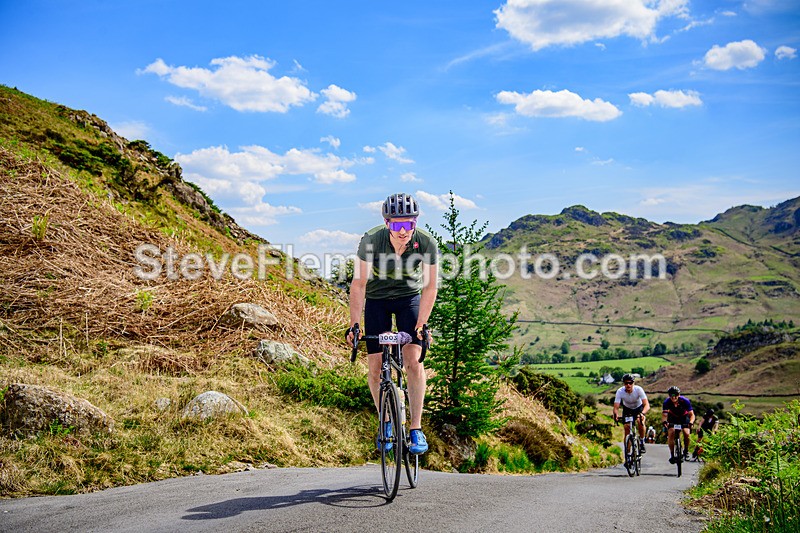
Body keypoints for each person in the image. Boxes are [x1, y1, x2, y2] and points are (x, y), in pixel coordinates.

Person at [346, 193, 438, 455]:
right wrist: (354, 324)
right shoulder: (371, 241)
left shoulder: (426, 243)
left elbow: (430, 286)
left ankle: (416, 428)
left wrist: (422, 323)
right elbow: (359, 284)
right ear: (387, 223)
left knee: (414, 361)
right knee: (375, 368)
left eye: (408, 224)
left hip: (409, 298)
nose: (402, 231)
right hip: (377, 300)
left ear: (415, 223)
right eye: (397, 225)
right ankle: (385, 421)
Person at [612, 374, 650, 456]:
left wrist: (643, 413)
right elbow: (616, 407)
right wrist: (615, 415)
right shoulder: (620, 391)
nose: (628, 385)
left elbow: (647, 405)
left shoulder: (639, 389)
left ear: (633, 383)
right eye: (626, 383)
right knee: (627, 429)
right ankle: (628, 453)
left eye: (630, 383)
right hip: (627, 409)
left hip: (638, 408)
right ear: (623, 384)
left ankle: (642, 441)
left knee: (640, 421)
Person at [662, 385, 695, 463]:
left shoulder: (685, 401)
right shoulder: (667, 402)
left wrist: (691, 422)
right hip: (673, 417)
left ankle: (686, 450)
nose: (673, 397)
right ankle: (672, 455)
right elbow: (664, 415)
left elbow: (691, 414)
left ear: (679, 395)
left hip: (684, 417)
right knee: (671, 433)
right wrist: (664, 422)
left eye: (675, 395)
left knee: (686, 433)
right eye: (671, 395)